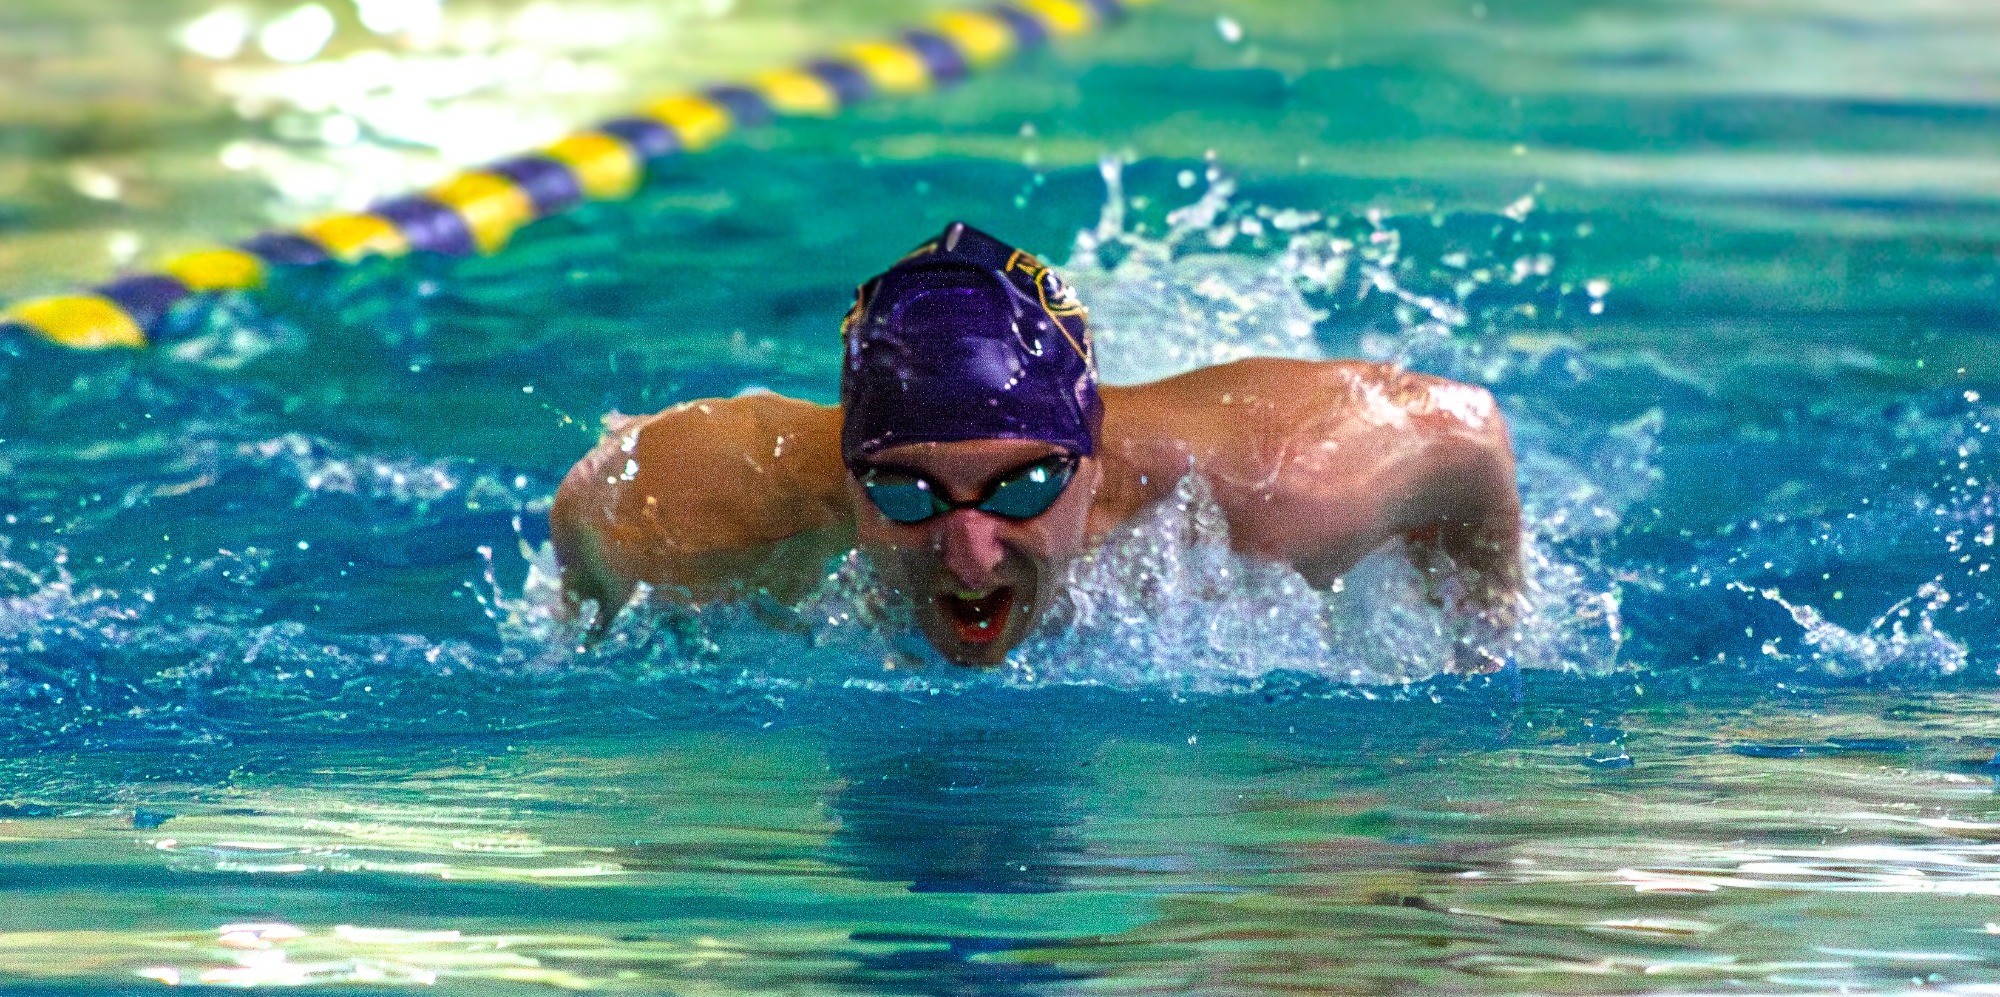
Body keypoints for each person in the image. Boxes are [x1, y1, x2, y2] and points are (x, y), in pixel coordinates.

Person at [550, 222, 1523, 673]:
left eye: (1018, 490)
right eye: (906, 494)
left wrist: (1481, 635)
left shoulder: (1283, 486)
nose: (967, 552)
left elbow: (1468, 432)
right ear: (847, 472)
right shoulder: (698, 505)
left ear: (1089, 458)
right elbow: (578, 520)